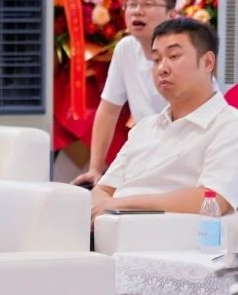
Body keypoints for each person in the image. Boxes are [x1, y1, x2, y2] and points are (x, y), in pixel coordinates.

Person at [90, 18, 238, 221]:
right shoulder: (144, 128)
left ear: (208, 62)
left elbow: (212, 199)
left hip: (170, 236)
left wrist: (123, 205)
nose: (162, 68)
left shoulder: (229, 125)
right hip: (110, 231)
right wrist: (104, 211)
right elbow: (103, 190)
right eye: (156, 59)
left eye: (174, 56)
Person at [73, 0, 178, 187]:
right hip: (145, 155)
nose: (137, 11)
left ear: (171, 15)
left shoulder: (183, 53)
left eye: (148, 4)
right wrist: (95, 168)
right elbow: (109, 110)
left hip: (180, 157)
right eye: (132, 4)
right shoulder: (126, 48)